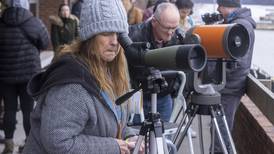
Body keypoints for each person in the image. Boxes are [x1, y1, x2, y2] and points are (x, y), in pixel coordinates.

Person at [22, 0, 143, 153]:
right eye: (106, 33)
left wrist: (129, 137)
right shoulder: (72, 85)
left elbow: (115, 118)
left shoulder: (107, 69)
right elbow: (58, 142)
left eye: (119, 34)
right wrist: (113, 146)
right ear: (90, 37)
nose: (114, 42)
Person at [206, 0, 256, 153]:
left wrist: (216, 74)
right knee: (218, 129)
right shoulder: (235, 23)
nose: (218, 9)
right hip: (227, 86)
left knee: (222, 130)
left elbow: (237, 62)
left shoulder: (240, 27)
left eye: (220, 5)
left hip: (229, 87)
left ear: (227, 6)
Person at [0, 0, 50, 153]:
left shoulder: (1, 23)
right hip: (28, 75)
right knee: (28, 110)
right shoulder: (33, 22)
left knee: (9, 109)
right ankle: (29, 145)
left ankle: (8, 144)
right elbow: (45, 42)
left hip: (5, 75)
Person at [128, 2, 180, 122]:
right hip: (138, 96)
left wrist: (175, 87)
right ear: (154, 21)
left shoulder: (179, 37)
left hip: (164, 96)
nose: (171, 32)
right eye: (167, 27)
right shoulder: (134, 36)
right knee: (135, 138)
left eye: (174, 27)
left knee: (163, 138)